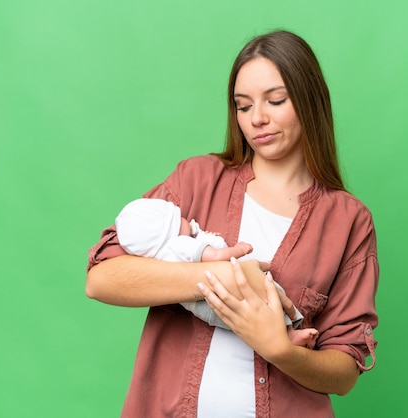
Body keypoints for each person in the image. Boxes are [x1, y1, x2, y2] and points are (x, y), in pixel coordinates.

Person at [86, 29, 379, 417]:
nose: (257, 118)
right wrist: (216, 278)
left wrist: (279, 349)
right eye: (243, 106)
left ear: (310, 100)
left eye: (276, 100)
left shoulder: (348, 221)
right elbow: (102, 278)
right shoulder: (198, 179)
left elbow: (343, 371)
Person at [114, 197, 318, 346]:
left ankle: (288, 333)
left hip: (204, 307)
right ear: (172, 229)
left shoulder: (159, 258)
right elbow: (214, 257)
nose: (187, 219)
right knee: (267, 295)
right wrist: (240, 249)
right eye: (180, 218)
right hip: (224, 292)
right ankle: (290, 330)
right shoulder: (179, 244)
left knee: (243, 324)